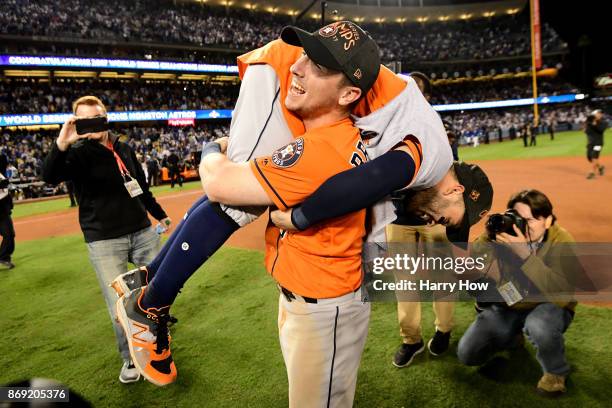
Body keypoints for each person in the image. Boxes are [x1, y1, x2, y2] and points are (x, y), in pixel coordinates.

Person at [115, 21, 492, 393]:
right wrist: (300, 216)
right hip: (289, 77)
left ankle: (149, 278)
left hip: (306, 78)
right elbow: (369, 181)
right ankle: (150, 307)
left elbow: (388, 205)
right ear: (455, 190)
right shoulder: (430, 155)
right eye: (447, 218)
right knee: (237, 199)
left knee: (242, 192)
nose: (434, 221)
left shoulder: (423, 147)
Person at [42, 96, 172, 384]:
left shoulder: (124, 148)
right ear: (76, 122)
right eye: (83, 120)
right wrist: (62, 142)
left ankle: (157, 345)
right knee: (120, 303)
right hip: (104, 240)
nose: (91, 125)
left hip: (142, 231)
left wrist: (159, 215)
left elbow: (140, 188)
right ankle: (130, 358)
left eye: (95, 117)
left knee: (156, 293)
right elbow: (48, 176)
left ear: (106, 117)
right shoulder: (75, 153)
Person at [458, 190, 578, 396]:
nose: (521, 225)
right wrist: (489, 233)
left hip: (548, 305)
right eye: (517, 218)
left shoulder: (563, 241)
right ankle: (513, 335)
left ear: (547, 220)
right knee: (468, 353)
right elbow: (475, 260)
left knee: (538, 324)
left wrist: (525, 255)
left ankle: (556, 372)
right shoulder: (507, 236)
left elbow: (560, 293)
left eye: (529, 220)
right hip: (513, 302)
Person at [0, 151, 15, 270]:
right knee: (8, 234)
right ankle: (4, 257)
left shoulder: (2, 174)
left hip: (3, 209)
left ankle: (5, 257)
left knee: (10, 234)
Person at [585, 109, 607, 179]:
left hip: (598, 143)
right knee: (589, 157)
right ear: (594, 115)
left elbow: (601, 130)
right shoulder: (589, 123)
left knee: (594, 156)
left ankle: (592, 173)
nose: (599, 115)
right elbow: (587, 132)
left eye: (600, 114)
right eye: (598, 113)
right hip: (591, 143)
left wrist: (595, 124)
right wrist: (589, 124)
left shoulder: (604, 122)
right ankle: (600, 167)